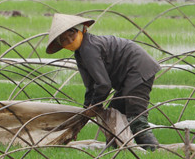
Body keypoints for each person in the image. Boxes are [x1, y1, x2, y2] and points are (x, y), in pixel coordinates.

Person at [46, 13, 160, 150]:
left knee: (136, 118)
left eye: (72, 34)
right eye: (64, 39)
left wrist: (95, 105)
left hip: (137, 69)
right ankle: (113, 151)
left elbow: (104, 84)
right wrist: (85, 111)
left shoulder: (89, 48)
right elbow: (90, 86)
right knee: (114, 114)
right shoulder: (80, 53)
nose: (70, 40)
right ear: (60, 45)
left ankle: (154, 151)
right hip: (128, 77)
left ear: (81, 30)